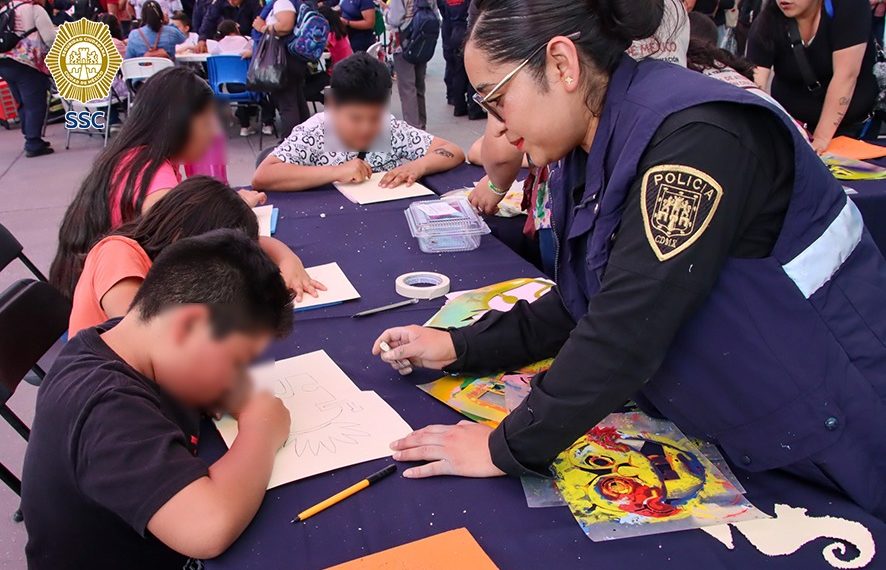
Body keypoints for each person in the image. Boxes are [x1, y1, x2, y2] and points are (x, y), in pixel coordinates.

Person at [372, 0, 886, 520]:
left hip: (835, 423)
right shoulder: (589, 140)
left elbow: (626, 325)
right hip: (750, 418)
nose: (498, 130)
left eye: (498, 99)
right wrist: (460, 345)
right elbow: (587, 296)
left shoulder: (696, 137)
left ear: (562, 64)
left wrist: (505, 447)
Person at [22, 230, 294, 569]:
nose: (237, 377)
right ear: (189, 326)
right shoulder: (105, 407)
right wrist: (261, 430)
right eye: (235, 360)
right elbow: (207, 527)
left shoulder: (128, 338)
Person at [49, 67, 265, 298]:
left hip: (86, 290)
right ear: (180, 124)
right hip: (114, 307)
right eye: (206, 122)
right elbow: (187, 247)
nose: (213, 133)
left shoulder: (133, 157)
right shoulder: (154, 176)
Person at [68, 177, 323, 337]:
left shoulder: (171, 254)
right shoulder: (119, 254)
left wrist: (289, 261)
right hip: (110, 395)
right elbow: (144, 338)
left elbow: (259, 245)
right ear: (184, 236)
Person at [253, 52, 464, 191]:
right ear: (332, 106)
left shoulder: (389, 129)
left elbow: (452, 150)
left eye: (374, 117)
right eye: (355, 118)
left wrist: (418, 166)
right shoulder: (315, 132)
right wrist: (336, 172)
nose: (366, 128)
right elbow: (263, 176)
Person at [748, 0, 879, 152]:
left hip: (852, 129)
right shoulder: (767, 21)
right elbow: (753, 85)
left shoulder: (848, 6)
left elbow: (846, 76)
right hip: (793, 128)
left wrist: (820, 140)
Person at [0, 0, 56, 157]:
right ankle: (33, 142)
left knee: (23, 101)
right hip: (27, 62)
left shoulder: (6, 9)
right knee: (35, 103)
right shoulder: (34, 9)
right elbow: (50, 38)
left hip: (4, 62)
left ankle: (31, 135)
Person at [249, 0, 309, 138]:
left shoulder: (282, 2)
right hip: (290, 59)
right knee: (296, 101)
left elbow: (285, 26)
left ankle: (290, 143)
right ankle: (303, 140)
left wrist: (262, 27)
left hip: (282, 60)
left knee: (287, 104)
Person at [385, 0, 439, 129]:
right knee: (419, 85)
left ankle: (413, 127)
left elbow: (395, 20)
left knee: (407, 87)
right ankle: (421, 123)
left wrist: (386, 11)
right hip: (422, 39)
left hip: (404, 41)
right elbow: (436, 14)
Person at [439, 0, 483, 119]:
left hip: (452, 30)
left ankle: (458, 105)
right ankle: (474, 109)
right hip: (466, 29)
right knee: (472, 70)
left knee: (458, 71)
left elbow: (442, 9)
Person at [194, 0, 260, 53]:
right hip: (227, 43)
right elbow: (209, 21)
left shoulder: (256, 3)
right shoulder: (219, 2)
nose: (231, 1)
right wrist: (202, 39)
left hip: (249, 42)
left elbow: (258, 25)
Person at [321, 3, 353, 71]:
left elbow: (319, 46)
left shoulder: (331, 36)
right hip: (348, 68)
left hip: (338, 72)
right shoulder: (340, 31)